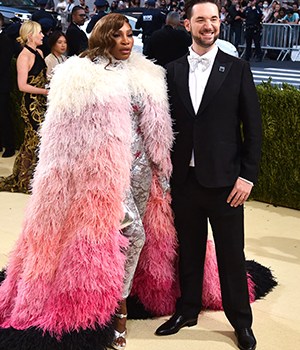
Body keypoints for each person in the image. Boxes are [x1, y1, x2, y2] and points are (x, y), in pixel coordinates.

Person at [0, 13, 177, 350]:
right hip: (104, 174)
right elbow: (61, 134)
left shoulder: (147, 74)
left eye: (129, 35)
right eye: (118, 35)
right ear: (103, 37)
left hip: (141, 173)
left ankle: (116, 296)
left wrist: (160, 167)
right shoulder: (79, 75)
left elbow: (155, 127)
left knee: (124, 242)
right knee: (132, 235)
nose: (126, 41)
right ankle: (118, 309)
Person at [155, 1, 262, 350]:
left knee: (232, 254)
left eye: (213, 19)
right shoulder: (170, 71)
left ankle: (241, 323)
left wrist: (247, 177)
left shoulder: (237, 68)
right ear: (187, 24)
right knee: (189, 251)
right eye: (201, 19)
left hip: (226, 183)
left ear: (219, 23)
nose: (208, 25)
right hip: (184, 182)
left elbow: (254, 129)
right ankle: (187, 310)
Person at [0, 21, 48, 193]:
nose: (43, 35)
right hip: (31, 105)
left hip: (42, 103)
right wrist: (44, 91)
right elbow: (22, 86)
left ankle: (33, 177)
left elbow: (43, 76)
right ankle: (25, 179)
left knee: (36, 140)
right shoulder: (24, 56)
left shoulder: (40, 52)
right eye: (40, 32)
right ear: (30, 36)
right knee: (34, 140)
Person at [0, 13, 15, 158]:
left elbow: (4, 64)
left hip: (2, 85)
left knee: (4, 116)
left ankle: (9, 146)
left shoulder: (5, 40)